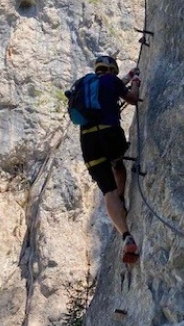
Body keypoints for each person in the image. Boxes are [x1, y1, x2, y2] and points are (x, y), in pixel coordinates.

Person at [80, 55, 141, 264]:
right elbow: (132, 98)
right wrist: (136, 83)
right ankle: (122, 197)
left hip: (88, 142)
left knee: (107, 191)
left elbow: (111, 87)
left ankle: (126, 235)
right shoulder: (112, 81)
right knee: (118, 164)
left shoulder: (86, 84)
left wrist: (127, 77)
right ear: (112, 69)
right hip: (110, 134)